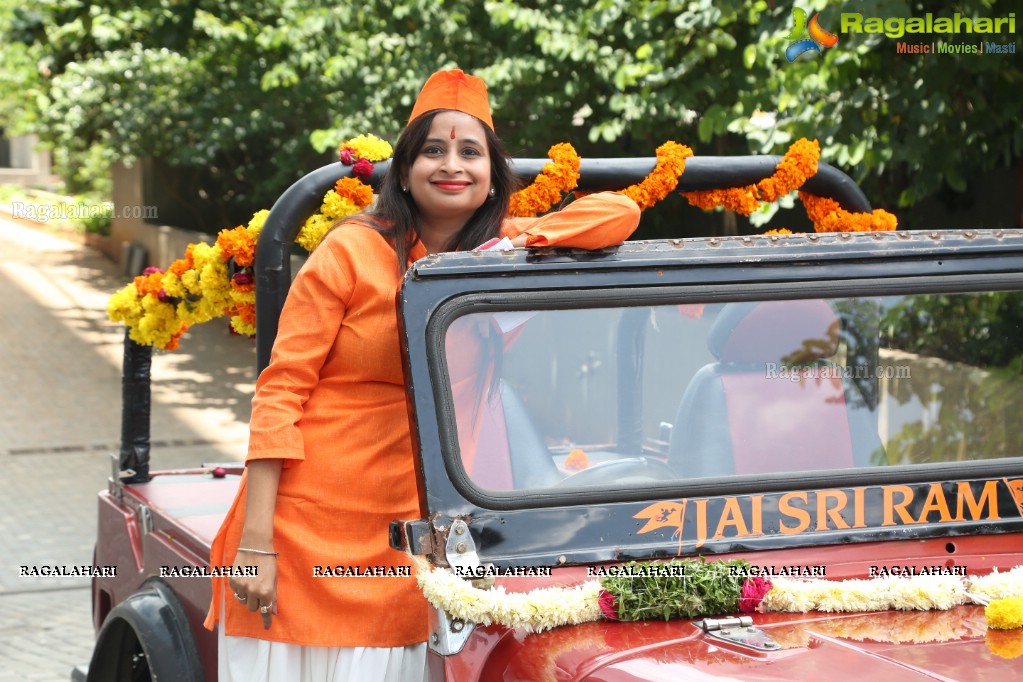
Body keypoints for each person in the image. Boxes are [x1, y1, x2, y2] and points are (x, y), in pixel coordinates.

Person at [204, 68, 640, 681]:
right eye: (432, 150)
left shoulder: (499, 253)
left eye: (470, 152)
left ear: (492, 177)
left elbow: (620, 212)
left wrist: (510, 250)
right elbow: (280, 392)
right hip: (309, 525)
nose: (450, 165)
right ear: (405, 170)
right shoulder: (351, 250)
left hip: (416, 536)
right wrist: (256, 545)